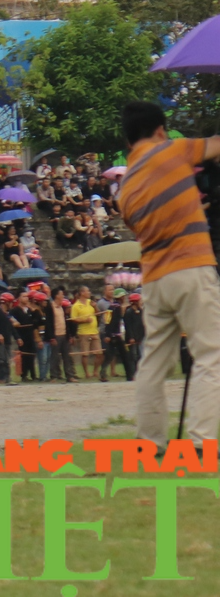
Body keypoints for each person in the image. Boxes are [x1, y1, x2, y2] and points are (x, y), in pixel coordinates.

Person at [117, 100, 220, 450]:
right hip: (191, 266)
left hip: (155, 277)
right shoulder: (172, 151)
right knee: (210, 354)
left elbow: (154, 222)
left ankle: (149, 440)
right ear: (160, 131)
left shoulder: (125, 188)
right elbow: (214, 146)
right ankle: (203, 440)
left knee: (155, 361)